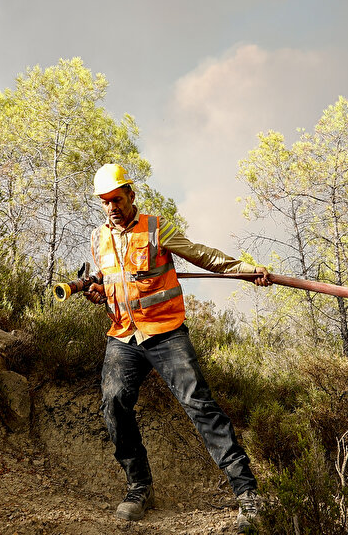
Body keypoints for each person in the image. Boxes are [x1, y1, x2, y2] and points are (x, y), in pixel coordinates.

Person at [82, 163, 271, 531]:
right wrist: (97, 292)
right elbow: (108, 281)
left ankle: (248, 495)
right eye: (105, 202)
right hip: (123, 336)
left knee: (200, 406)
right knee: (113, 402)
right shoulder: (98, 237)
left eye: (117, 200)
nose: (112, 208)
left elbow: (201, 254)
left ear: (130, 196)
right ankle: (139, 487)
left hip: (165, 332)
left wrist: (245, 270)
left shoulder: (155, 227)